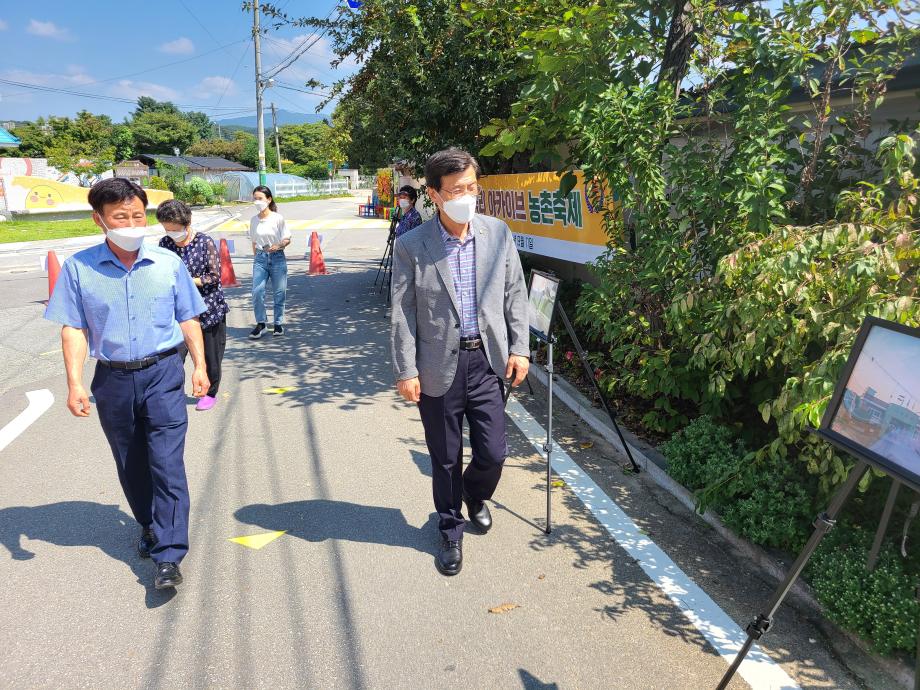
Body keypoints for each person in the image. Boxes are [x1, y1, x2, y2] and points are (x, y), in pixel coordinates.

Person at [44, 178, 209, 590]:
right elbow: (74, 330)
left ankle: (169, 553)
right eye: (121, 217)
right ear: (99, 220)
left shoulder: (168, 264)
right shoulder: (79, 268)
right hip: (113, 379)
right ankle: (149, 524)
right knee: (132, 464)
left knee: (167, 464)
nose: (131, 223)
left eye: (138, 215)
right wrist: (74, 384)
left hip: (163, 374)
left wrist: (200, 367)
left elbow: (189, 318)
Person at [390, 147, 530, 576]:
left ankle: (474, 492)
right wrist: (406, 370)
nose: (466, 196)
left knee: (494, 451)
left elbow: (514, 293)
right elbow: (402, 310)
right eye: (455, 190)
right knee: (445, 457)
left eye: (471, 187)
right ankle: (449, 528)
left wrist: (520, 347)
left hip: (487, 360)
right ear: (434, 194)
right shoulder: (413, 245)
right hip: (437, 367)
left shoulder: (497, 234)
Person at [156, 199, 230, 412]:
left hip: (209, 310)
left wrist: (187, 281)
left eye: (175, 229)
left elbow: (214, 277)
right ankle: (172, 393)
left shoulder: (204, 242)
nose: (171, 233)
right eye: (167, 229)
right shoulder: (165, 244)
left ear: (187, 225)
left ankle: (210, 393)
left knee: (211, 357)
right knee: (174, 357)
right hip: (178, 313)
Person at [248, 185, 291, 338]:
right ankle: (261, 323)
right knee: (257, 291)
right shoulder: (254, 220)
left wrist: (278, 245)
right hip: (260, 258)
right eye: (255, 198)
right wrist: (256, 258)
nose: (257, 202)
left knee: (279, 292)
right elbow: (254, 241)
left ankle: (278, 324)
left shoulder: (277, 218)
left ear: (269, 199)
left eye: (260, 198)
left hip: (277, 257)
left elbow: (287, 239)